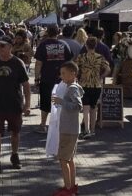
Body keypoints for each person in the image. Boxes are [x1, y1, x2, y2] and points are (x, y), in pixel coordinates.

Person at [0, 35, 30, 175]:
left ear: (10, 47)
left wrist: (27, 105)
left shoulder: (18, 63)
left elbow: (26, 86)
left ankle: (14, 154)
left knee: (15, 132)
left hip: (14, 104)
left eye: (3, 46)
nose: (0, 48)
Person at [51, 61, 83, 196]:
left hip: (69, 130)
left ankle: (68, 189)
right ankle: (71, 186)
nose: (61, 76)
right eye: (61, 73)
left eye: (64, 73)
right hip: (70, 129)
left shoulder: (72, 88)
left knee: (63, 159)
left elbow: (78, 106)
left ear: (73, 73)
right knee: (69, 159)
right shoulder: (72, 87)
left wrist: (61, 101)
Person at [34, 24, 73, 134]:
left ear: (47, 32)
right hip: (61, 79)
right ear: (58, 32)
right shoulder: (64, 44)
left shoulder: (43, 45)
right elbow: (69, 62)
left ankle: (43, 124)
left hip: (46, 78)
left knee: (45, 102)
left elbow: (38, 63)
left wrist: (36, 78)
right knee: (60, 102)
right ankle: (59, 124)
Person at [76, 37, 110, 139]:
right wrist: (101, 77)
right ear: (95, 46)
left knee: (85, 108)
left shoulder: (81, 57)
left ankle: (86, 130)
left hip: (84, 85)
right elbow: (108, 69)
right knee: (94, 108)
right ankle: (93, 130)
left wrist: (79, 77)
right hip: (96, 85)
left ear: (86, 45)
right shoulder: (100, 57)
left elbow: (75, 68)